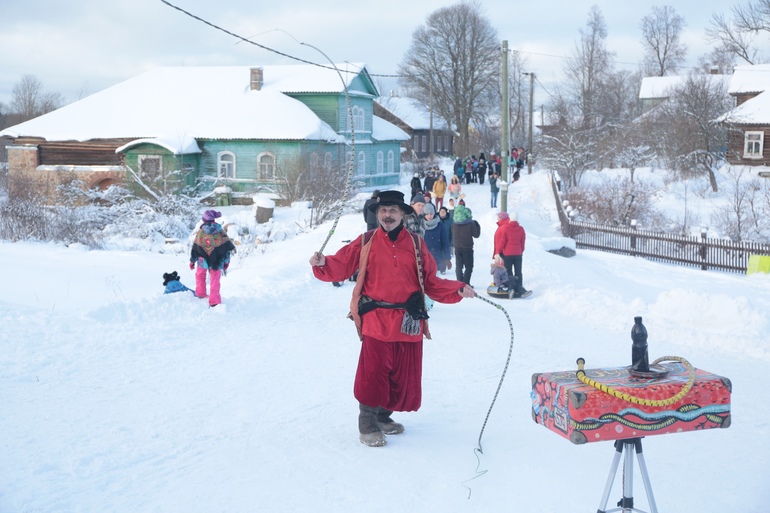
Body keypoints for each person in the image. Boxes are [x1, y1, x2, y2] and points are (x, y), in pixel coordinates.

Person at [308, 190, 476, 447]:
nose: (387, 215)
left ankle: (384, 417)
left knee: (400, 373)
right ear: (377, 215)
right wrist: (321, 263)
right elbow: (340, 265)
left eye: (393, 211)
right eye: (383, 211)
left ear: (402, 215)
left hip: (409, 319)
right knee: (374, 372)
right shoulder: (366, 241)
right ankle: (367, 424)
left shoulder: (417, 245)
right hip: (376, 317)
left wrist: (458, 289)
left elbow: (431, 282)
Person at [189, 209, 236, 307]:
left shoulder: (201, 232)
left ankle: (200, 294)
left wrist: (192, 261)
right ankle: (214, 300)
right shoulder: (220, 231)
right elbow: (226, 248)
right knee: (215, 280)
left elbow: (196, 247)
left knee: (200, 276)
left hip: (202, 260)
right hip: (217, 260)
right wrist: (226, 262)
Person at [493, 211, 531, 298]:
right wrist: (520, 251)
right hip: (518, 254)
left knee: (509, 273)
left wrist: (498, 251)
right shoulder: (521, 229)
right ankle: (520, 288)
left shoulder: (506, 228)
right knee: (518, 272)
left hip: (507, 254)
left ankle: (511, 289)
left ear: (510, 219)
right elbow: (522, 242)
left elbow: (502, 242)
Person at [451, 202, 481, 286]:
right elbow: (476, 235)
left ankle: (460, 284)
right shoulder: (470, 223)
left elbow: (452, 232)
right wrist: (477, 225)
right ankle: (466, 284)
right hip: (467, 248)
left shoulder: (454, 222)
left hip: (457, 247)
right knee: (469, 266)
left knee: (459, 266)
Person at [423, 203, 451, 275]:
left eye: (431, 214)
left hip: (438, 258)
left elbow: (445, 242)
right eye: (427, 214)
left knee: (436, 281)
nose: (429, 216)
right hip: (424, 258)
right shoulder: (421, 225)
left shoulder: (440, 225)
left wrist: (447, 258)